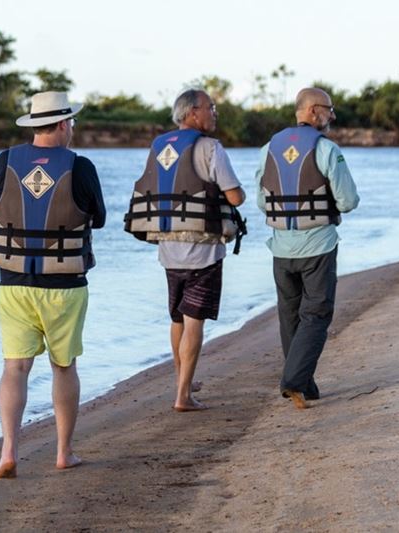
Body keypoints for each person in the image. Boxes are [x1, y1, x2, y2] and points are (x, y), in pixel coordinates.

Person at [0, 91, 106, 478]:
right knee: (63, 366)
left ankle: (9, 451)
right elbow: (96, 218)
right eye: (73, 124)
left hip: (13, 283)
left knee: (15, 367)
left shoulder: (4, 161)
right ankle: (64, 452)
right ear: (64, 124)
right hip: (65, 285)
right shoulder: (80, 166)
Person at [124, 89, 246, 412]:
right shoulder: (210, 148)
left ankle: (183, 382)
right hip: (203, 251)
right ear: (193, 113)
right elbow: (234, 197)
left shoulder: (158, 146)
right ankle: (183, 397)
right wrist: (241, 193)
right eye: (211, 108)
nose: (215, 113)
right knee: (194, 321)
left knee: (177, 317)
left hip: (168, 250)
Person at [255, 87, 360, 409]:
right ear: (314, 111)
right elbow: (348, 200)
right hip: (318, 246)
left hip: (281, 249)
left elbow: (261, 201)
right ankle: (294, 381)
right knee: (316, 314)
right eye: (329, 109)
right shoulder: (327, 149)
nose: (332, 116)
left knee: (291, 316)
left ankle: (305, 386)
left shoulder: (267, 149)